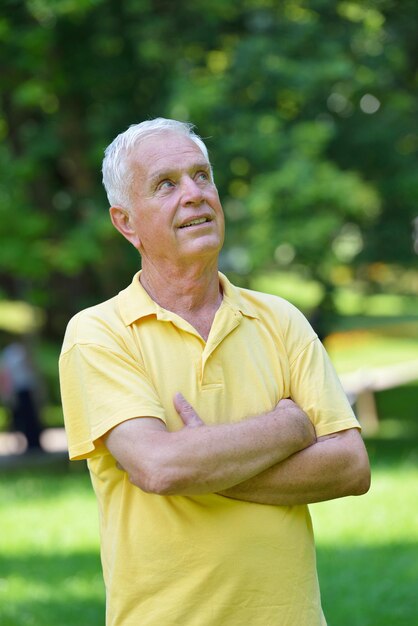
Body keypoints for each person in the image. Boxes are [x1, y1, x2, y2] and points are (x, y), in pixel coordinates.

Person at [59, 118, 370, 626]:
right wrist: (288, 427)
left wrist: (208, 463)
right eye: (166, 184)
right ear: (126, 222)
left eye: (202, 176)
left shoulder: (279, 320)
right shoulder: (97, 333)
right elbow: (158, 466)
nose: (194, 194)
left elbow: (350, 467)